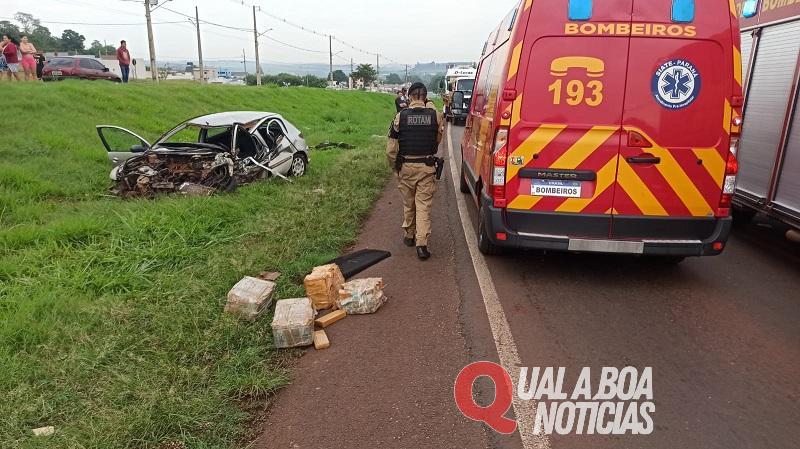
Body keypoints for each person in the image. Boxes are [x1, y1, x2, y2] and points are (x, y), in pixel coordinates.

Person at [386, 82, 444, 260]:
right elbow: (437, 139)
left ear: (409, 97)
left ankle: (409, 235)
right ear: (425, 97)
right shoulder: (435, 116)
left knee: (408, 203)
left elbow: (390, 149)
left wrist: (395, 167)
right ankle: (422, 245)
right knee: (423, 206)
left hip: (406, 167)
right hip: (426, 168)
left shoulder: (400, 117)